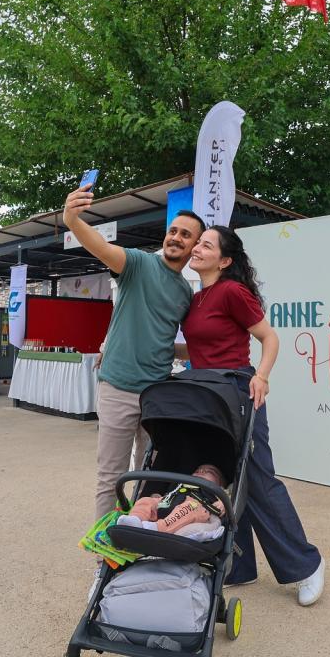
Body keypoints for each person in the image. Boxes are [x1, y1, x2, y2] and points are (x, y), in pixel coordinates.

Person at [180, 225, 325, 606]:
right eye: (198, 242)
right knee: (224, 478)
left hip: (237, 391)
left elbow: (269, 338)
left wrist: (261, 376)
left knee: (258, 478)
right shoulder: (197, 297)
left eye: (205, 244)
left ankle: (306, 565)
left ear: (225, 260)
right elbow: (200, 347)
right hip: (204, 393)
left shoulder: (232, 291)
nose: (196, 247)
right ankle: (240, 566)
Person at [62, 184, 204, 522]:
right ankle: (104, 559)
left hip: (156, 395)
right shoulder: (138, 264)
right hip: (118, 388)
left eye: (186, 235)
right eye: (173, 231)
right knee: (110, 478)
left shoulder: (186, 292)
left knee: (148, 476)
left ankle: (135, 535)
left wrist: (210, 351)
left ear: (195, 246)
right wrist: (71, 219)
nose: (176, 238)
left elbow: (164, 339)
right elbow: (99, 246)